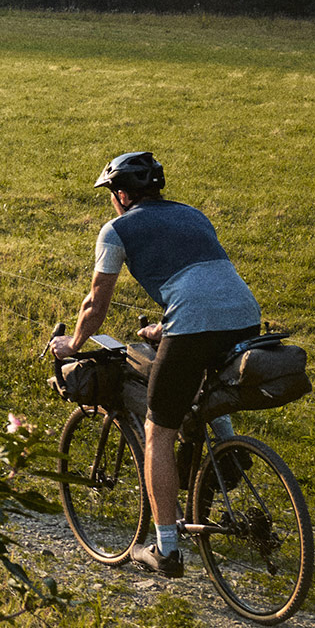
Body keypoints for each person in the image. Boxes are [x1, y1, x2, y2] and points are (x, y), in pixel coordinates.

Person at [49, 151, 261, 578]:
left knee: (157, 429)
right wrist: (166, 326)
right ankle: (227, 451)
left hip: (195, 321)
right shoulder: (194, 215)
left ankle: (166, 549)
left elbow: (95, 304)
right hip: (245, 314)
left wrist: (73, 342)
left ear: (122, 194)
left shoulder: (117, 229)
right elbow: (203, 279)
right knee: (202, 388)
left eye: (111, 194)